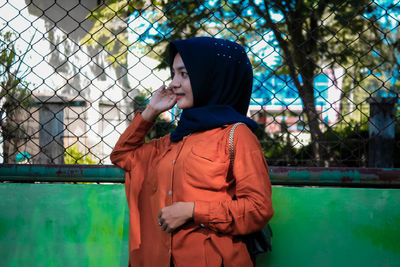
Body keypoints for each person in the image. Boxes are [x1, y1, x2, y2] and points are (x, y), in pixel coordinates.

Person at [110, 37, 273, 267]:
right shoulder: (172, 141)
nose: (173, 83)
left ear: (211, 78)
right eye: (174, 74)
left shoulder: (236, 136)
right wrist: (150, 111)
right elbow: (122, 155)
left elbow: (257, 209)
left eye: (184, 74)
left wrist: (193, 211)